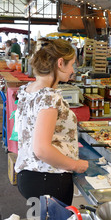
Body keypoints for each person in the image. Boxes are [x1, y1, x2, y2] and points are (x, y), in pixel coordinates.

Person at [14, 39, 88, 205]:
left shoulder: (28, 89)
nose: (73, 70)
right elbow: (41, 149)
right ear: (60, 63)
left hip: (30, 175)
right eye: (72, 65)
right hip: (48, 179)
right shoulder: (49, 97)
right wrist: (75, 165)